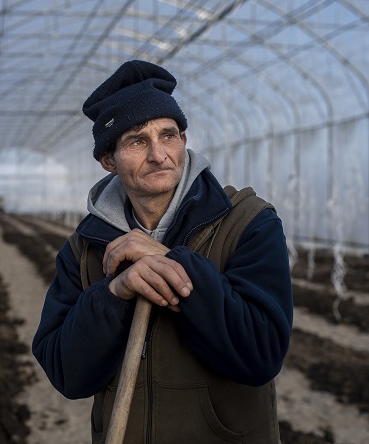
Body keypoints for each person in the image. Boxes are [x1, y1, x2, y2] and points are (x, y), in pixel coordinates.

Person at [32, 60, 293, 443]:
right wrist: (114, 293)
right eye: (138, 140)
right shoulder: (84, 248)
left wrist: (169, 261)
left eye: (168, 135)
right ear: (108, 160)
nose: (159, 154)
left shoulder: (248, 223)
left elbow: (260, 354)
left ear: (184, 141)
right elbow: (67, 374)